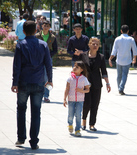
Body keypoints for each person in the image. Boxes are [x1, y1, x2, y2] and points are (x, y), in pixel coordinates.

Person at [11, 21, 53, 150]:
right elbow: (48, 64)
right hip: (39, 82)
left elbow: (17, 66)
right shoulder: (43, 44)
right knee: (36, 112)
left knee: (21, 109)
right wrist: (50, 80)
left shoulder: (21, 45)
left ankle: (21, 138)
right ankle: (34, 141)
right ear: (36, 31)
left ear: (23, 32)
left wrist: (14, 82)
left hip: (23, 82)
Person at [79, 37, 111, 131]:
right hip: (85, 83)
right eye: (93, 44)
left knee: (95, 104)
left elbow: (104, 71)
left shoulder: (100, 57)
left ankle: (92, 124)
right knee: (86, 103)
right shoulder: (83, 55)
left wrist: (107, 83)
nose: (95, 45)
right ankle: (83, 121)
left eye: (97, 44)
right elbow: (80, 69)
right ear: (89, 44)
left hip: (97, 83)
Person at [63, 61, 90, 137]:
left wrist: (81, 90)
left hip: (80, 100)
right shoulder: (70, 78)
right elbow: (67, 89)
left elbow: (87, 90)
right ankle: (70, 124)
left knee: (78, 115)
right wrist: (65, 99)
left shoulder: (84, 79)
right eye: (74, 66)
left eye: (77, 67)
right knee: (70, 114)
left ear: (81, 69)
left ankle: (77, 129)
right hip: (71, 100)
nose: (74, 68)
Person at [109, 25, 137, 95]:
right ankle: (121, 88)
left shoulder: (117, 39)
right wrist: (134, 58)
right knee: (124, 75)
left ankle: (119, 88)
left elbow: (114, 50)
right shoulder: (131, 39)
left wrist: (110, 59)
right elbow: (134, 50)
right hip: (127, 60)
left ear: (121, 31)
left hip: (119, 59)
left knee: (119, 75)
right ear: (128, 31)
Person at [35, 20, 58, 103]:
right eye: (44, 25)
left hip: (48, 58)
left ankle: (46, 96)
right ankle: (38, 94)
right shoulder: (37, 36)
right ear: (42, 26)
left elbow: (55, 49)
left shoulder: (52, 37)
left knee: (47, 77)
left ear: (49, 27)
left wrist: (49, 55)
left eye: (47, 26)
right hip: (38, 59)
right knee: (38, 76)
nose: (46, 27)